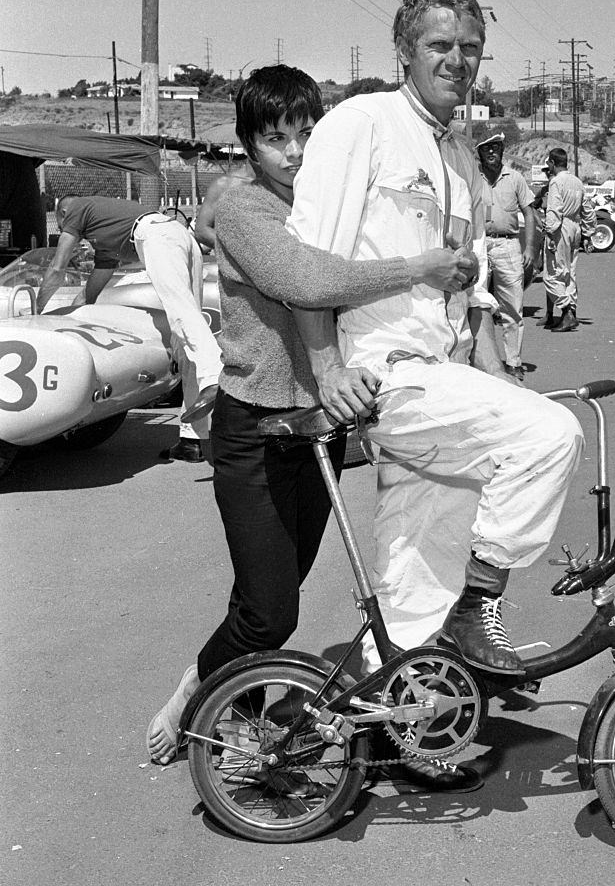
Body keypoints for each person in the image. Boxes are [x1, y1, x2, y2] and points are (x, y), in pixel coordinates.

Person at [145, 65, 476, 789]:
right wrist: (420, 266)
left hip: (319, 430)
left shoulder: (330, 198)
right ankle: (209, 707)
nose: (293, 153)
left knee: (266, 598)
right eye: (275, 140)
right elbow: (307, 282)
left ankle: (217, 694)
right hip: (255, 428)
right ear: (248, 143)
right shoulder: (240, 206)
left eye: (305, 134)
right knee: (269, 611)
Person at [285, 0, 584, 686]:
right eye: (440, 45)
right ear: (403, 50)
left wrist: (490, 370)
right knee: (550, 435)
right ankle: (480, 597)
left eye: (470, 49)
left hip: (441, 374)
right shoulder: (362, 124)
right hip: (384, 372)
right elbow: (305, 265)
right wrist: (328, 373)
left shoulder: (454, 152)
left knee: (416, 580)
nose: (457, 60)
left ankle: (378, 726)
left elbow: (461, 288)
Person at [36, 194, 222, 462]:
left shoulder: (75, 207)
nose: (67, 232)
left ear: (63, 214)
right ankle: (193, 439)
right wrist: (67, 315)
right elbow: (90, 295)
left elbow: (57, 267)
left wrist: (38, 310)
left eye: (63, 226)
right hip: (178, 236)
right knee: (185, 337)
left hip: (157, 237)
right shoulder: (107, 242)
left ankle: (213, 373)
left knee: (182, 317)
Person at [476, 131, 537, 380]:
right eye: (487, 148)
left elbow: (530, 213)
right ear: (479, 153)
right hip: (478, 244)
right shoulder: (471, 177)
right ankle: (479, 362)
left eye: (496, 148)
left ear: (502, 150)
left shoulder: (515, 178)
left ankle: (513, 362)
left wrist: (530, 247)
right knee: (475, 304)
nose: (492, 152)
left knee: (512, 307)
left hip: (508, 245)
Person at [542, 147, 594, 330]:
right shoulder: (577, 182)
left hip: (561, 227)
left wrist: (550, 232)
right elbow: (588, 209)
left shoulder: (556, 182)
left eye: (549, 163)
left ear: (553, 163)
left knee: (552, 274)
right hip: (575, 227)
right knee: (570, 273)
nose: (548, 167)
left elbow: (554, 209)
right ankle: (572, 308)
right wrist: (587, 233)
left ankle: (566, 311)